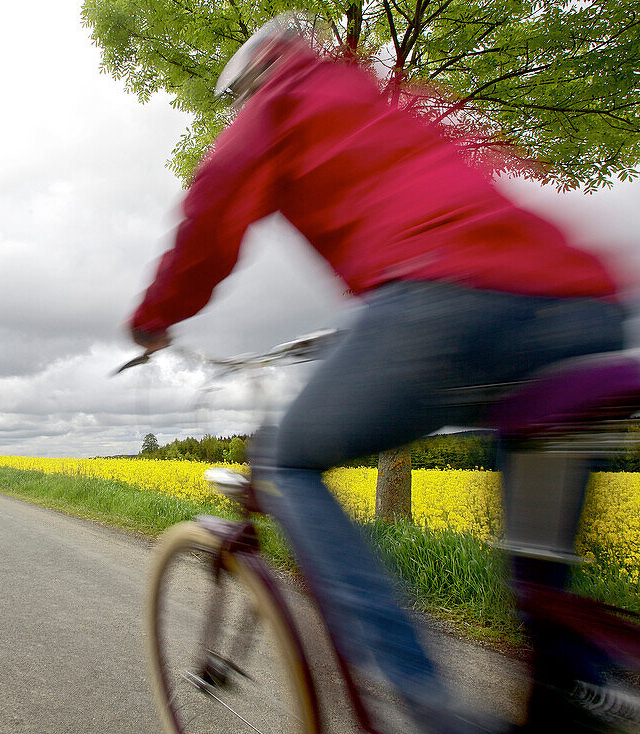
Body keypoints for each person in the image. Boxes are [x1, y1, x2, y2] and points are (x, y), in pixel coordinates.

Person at [128, 15, 625, 734]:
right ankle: (575, 684)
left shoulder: (277, 103)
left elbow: (211, 211)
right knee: (540, 562)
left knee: (285, 460)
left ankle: (425, 705)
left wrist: (154, 318)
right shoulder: (376, 97)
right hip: (585, 309)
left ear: (251, 82)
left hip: (441, 300)